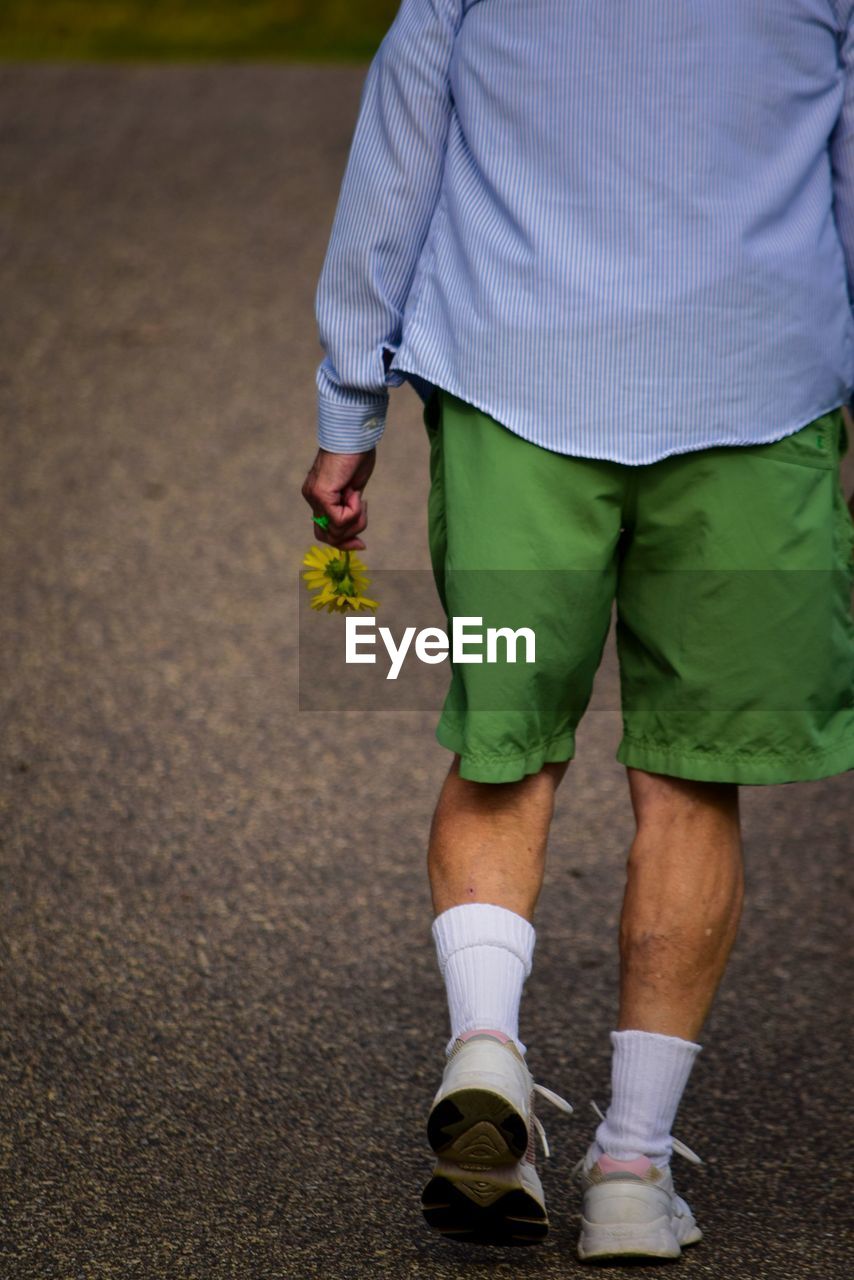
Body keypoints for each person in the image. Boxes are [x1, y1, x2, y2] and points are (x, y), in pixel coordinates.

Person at [301, 0, 854, 1262]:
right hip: (752, 401)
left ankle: (485, 1045)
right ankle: (627, 1168)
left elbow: (398, 161)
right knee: (690, 775)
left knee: (503, 740)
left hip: (514, 380)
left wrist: (349, 405)